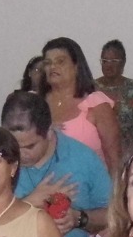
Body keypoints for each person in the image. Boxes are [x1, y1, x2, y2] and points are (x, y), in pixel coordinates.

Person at [2, 92, 109, 237]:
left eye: (30, 146)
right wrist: (29, 203)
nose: (20, 154)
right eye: (14, 145)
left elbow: (115, 215)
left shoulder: (83, 158)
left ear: (50, 132)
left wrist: (79, 218)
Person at [40, 37, 121, 173]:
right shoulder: (34, 103)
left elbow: (114, 159)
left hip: (91, 183)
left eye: (60, 61)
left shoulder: (96, 104)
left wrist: (116, 186)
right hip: (42, 183)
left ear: (76, 67)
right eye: (48, 63)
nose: (52, 67)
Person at [94, 39, 133, 145]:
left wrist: (126, 112)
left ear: (123, 62)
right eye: (105, 61)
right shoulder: (92, 88)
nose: (108, 65)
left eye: (113, 61)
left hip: (128, 148)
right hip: (98, 148)